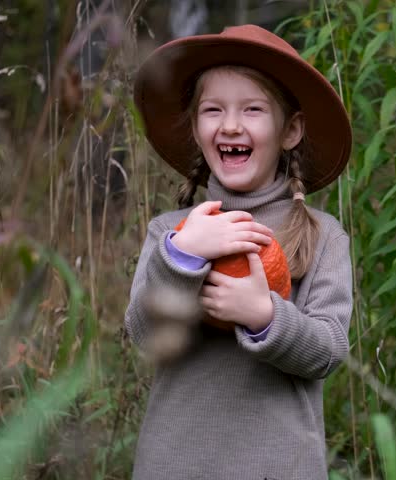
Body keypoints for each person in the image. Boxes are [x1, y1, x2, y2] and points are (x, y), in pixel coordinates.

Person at [125, 24, 353, 480]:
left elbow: (328, 351)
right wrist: (183, 258)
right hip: (174, 465)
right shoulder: (171, 233)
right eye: (213, 110)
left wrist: (263, 314)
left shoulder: (322, 235)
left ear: (290, 131)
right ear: (195, 128)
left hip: (278, 468)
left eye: (252, 109)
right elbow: (145, 335)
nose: (231, 124)